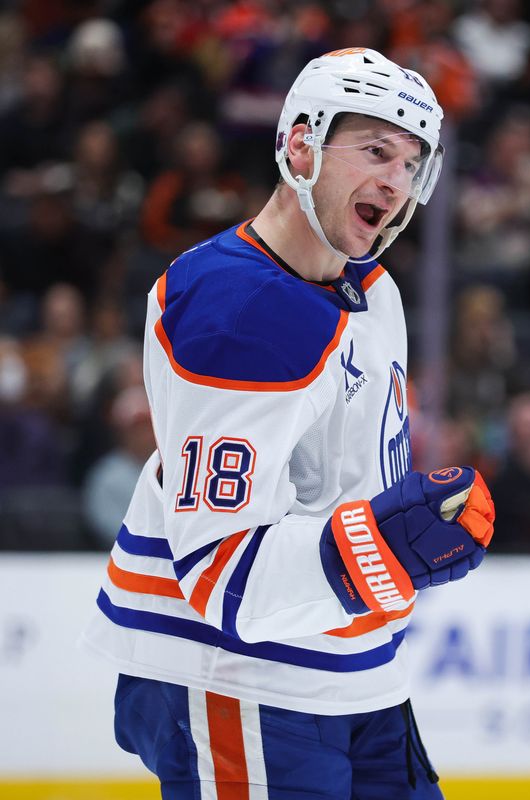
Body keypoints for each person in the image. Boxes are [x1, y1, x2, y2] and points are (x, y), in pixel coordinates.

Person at [80, 48, 495, 799]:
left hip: (352, 673)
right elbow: (222, 574)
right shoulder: (240, 309)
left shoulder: (371, 287)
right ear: (301, 144)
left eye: (411, 163)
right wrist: (391, 545)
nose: (396, 182)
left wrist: (402, 533)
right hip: (241, 680)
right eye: (376, 151)